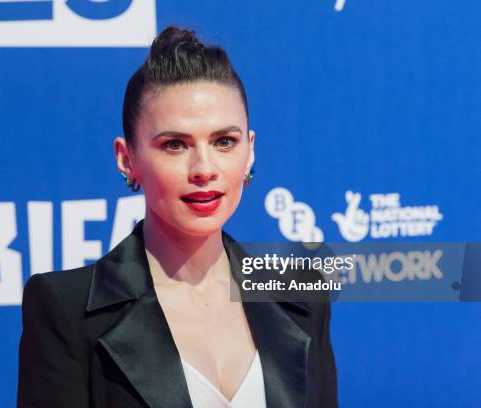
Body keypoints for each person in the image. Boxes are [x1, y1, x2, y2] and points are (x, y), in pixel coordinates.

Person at [17, 26, 337, 408]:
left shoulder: (300, 297)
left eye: (224, 142)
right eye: (174, 145)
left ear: (249, 150)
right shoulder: (66, 309)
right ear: (126, 159)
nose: (204, 168)